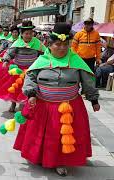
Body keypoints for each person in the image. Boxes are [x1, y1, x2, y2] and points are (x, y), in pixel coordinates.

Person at [14, 22, 100, 176]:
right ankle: (41, 156)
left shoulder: (76, 61)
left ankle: (60, 161)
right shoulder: (41, 61)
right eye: (58, 44)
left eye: (65, 44)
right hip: (43, 105)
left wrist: (94, 100)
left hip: (69, 106)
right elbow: (30, 77)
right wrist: (32, 94)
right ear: (49, 44)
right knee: (46, 134)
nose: (61, 48)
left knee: (62, 136)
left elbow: (88, 82)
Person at [0, 21, 46, 112]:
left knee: (30, 88)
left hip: (32, 70)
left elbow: (44, 54)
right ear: (21, 34)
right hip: (18, 69)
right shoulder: (17, 43)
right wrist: (6, 60)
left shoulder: (38, 43)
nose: (29, 35)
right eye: (26, 33)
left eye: (31, 33)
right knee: (15, 89)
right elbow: (9, 53)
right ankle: (13, 103)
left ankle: (26, 105)